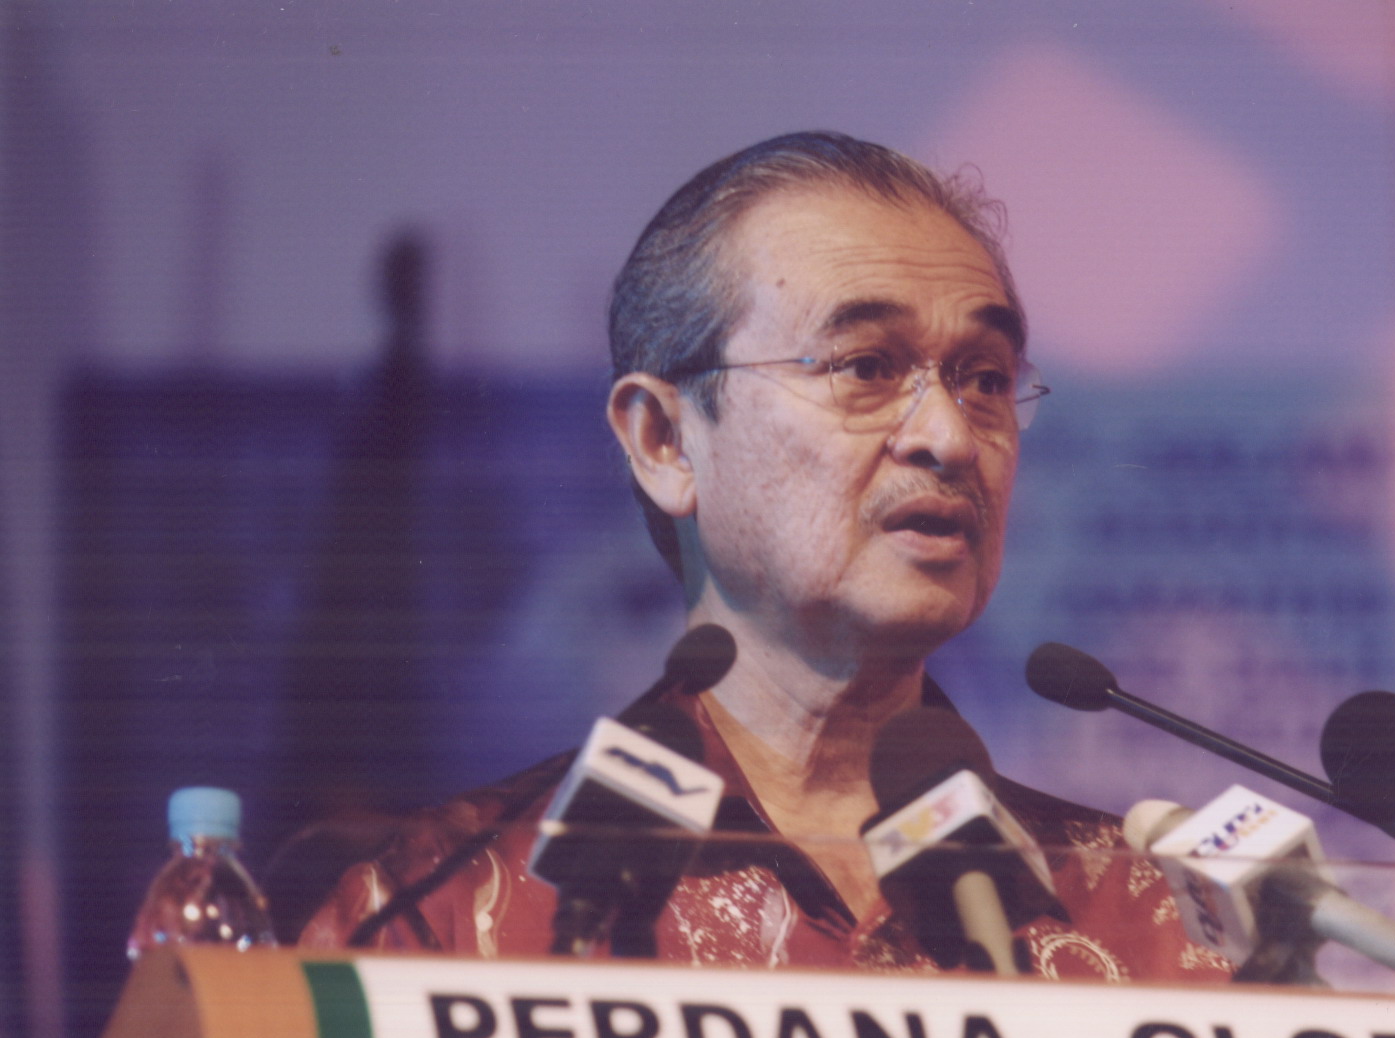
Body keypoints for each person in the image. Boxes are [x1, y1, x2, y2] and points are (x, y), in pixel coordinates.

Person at [302, 131, 1230, 983]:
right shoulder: (446, 915)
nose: (950, 437)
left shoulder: (1162, 926)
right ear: (665, 440)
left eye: (985, 378)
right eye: (865, 367)